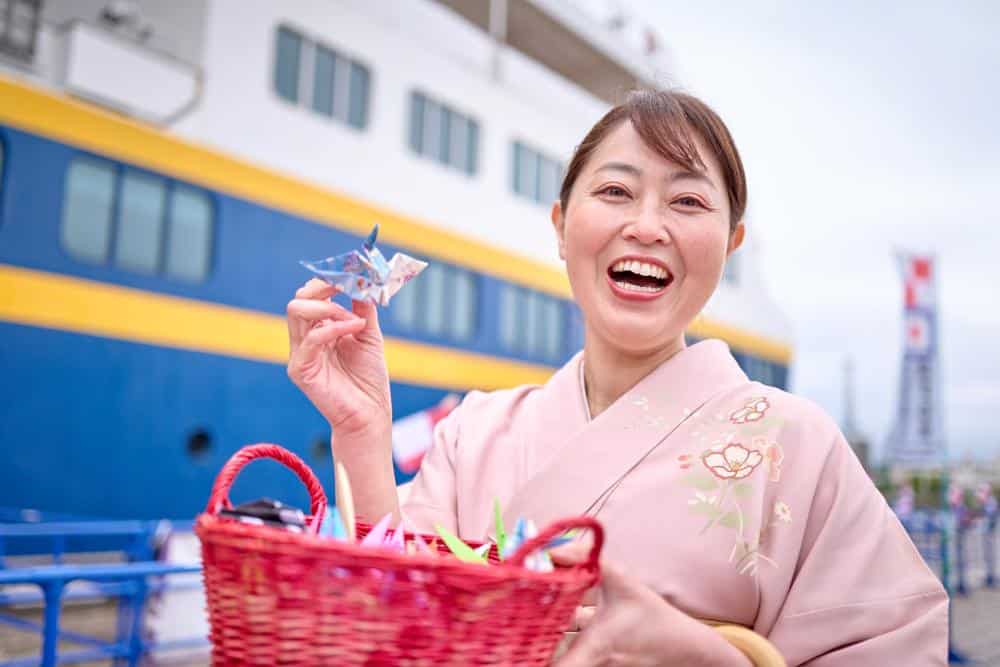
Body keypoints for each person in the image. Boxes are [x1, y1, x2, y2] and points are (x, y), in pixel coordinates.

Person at [286, 90, 947, 666]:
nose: (647, 226)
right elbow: (391, 627)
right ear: (561, 225)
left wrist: (709, 656)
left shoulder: (796, 445)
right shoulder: (472, 435)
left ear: (731, 245)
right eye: (614, 192)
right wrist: (363, 433)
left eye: (687, 200)